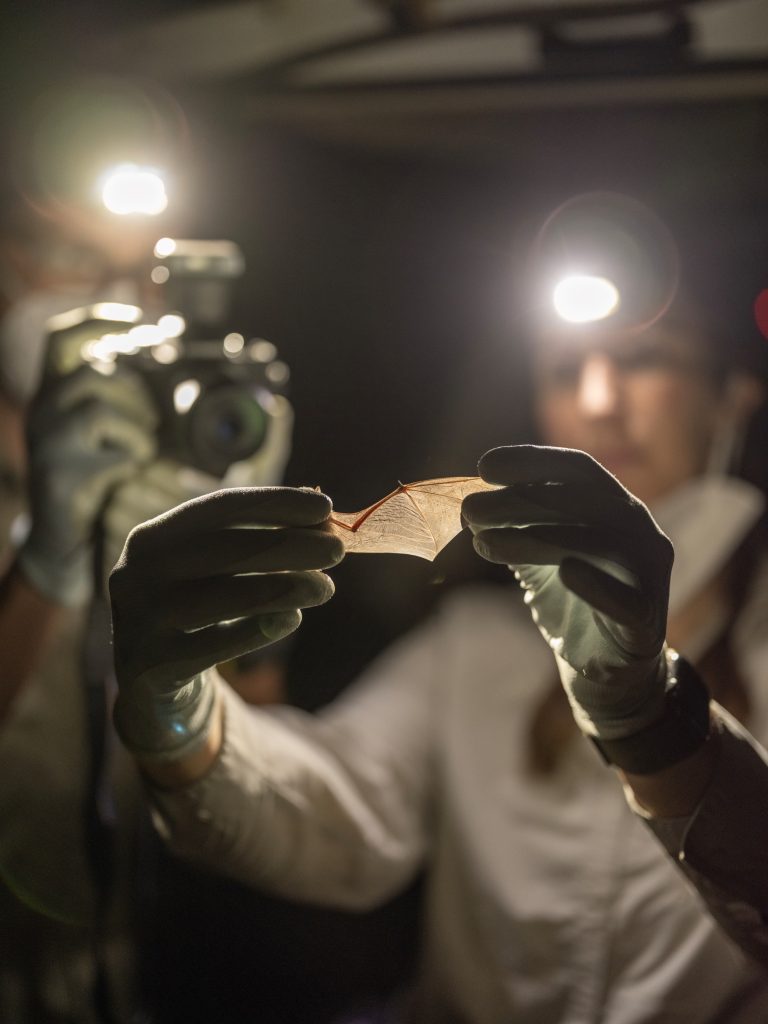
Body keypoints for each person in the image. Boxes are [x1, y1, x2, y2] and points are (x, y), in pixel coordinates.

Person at [108, 203, 768, 1021]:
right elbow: (334, 816)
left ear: (734, 393)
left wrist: (653, 718)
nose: (600, 401)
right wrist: (182, 721)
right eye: (564, 370)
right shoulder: (477, 646)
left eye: (644, 360)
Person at [0, 294, 294, 1021]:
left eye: (124, 279)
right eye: (56, 258)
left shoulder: (156, 473)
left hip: (127, 962)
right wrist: (47, 566)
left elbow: (262, 765)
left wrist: (248, 555)